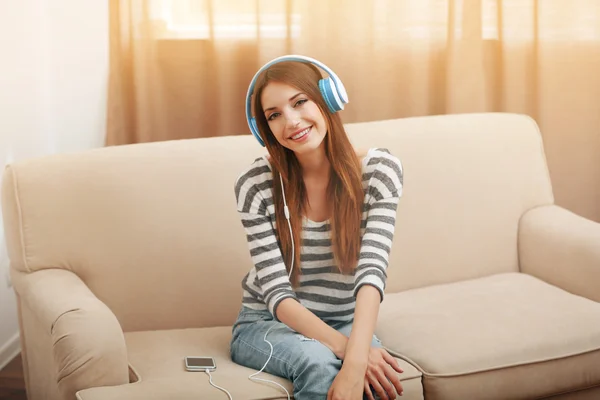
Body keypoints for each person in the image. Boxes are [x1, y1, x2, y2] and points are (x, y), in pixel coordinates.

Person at [230, 55, 404, 400]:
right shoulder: (256, 184)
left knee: (374, 380)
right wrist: (351, 354)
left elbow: (372, 273)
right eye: (275, 115)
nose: (291, 121)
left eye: (300, 102)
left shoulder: (380, 171)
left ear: (328, 99)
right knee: (321, 365)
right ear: (263, 130)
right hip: (265, 324)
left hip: (344, 319)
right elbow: (277, 296)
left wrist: (356, 357)